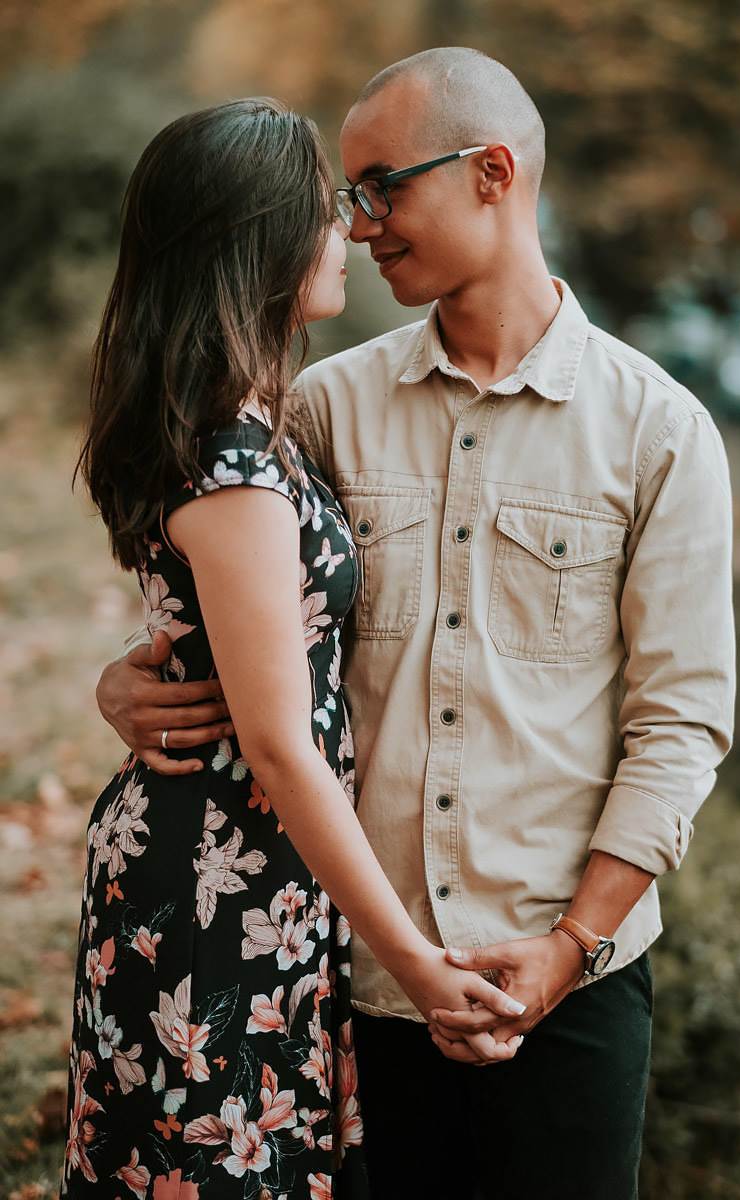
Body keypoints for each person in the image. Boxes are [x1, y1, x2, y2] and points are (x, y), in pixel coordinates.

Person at [95, 51, 736, 1200]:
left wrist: (565, 947)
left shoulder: (662, 433)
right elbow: (229, 596)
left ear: (491, 172)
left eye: (381, 185)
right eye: (346, 196)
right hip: (350, 990)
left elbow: (680, 726)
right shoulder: (322, 410)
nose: (358, 222)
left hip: (573, 988)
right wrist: (126, 680)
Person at [63, 95, 527, 1200]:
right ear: (257, 238)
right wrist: (416, 967)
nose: (350, 232)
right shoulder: (232, 461)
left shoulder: (247, 423)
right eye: (327, 208)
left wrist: (127, 676)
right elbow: (277, 744)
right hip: (216, 885)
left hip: (256, 875)